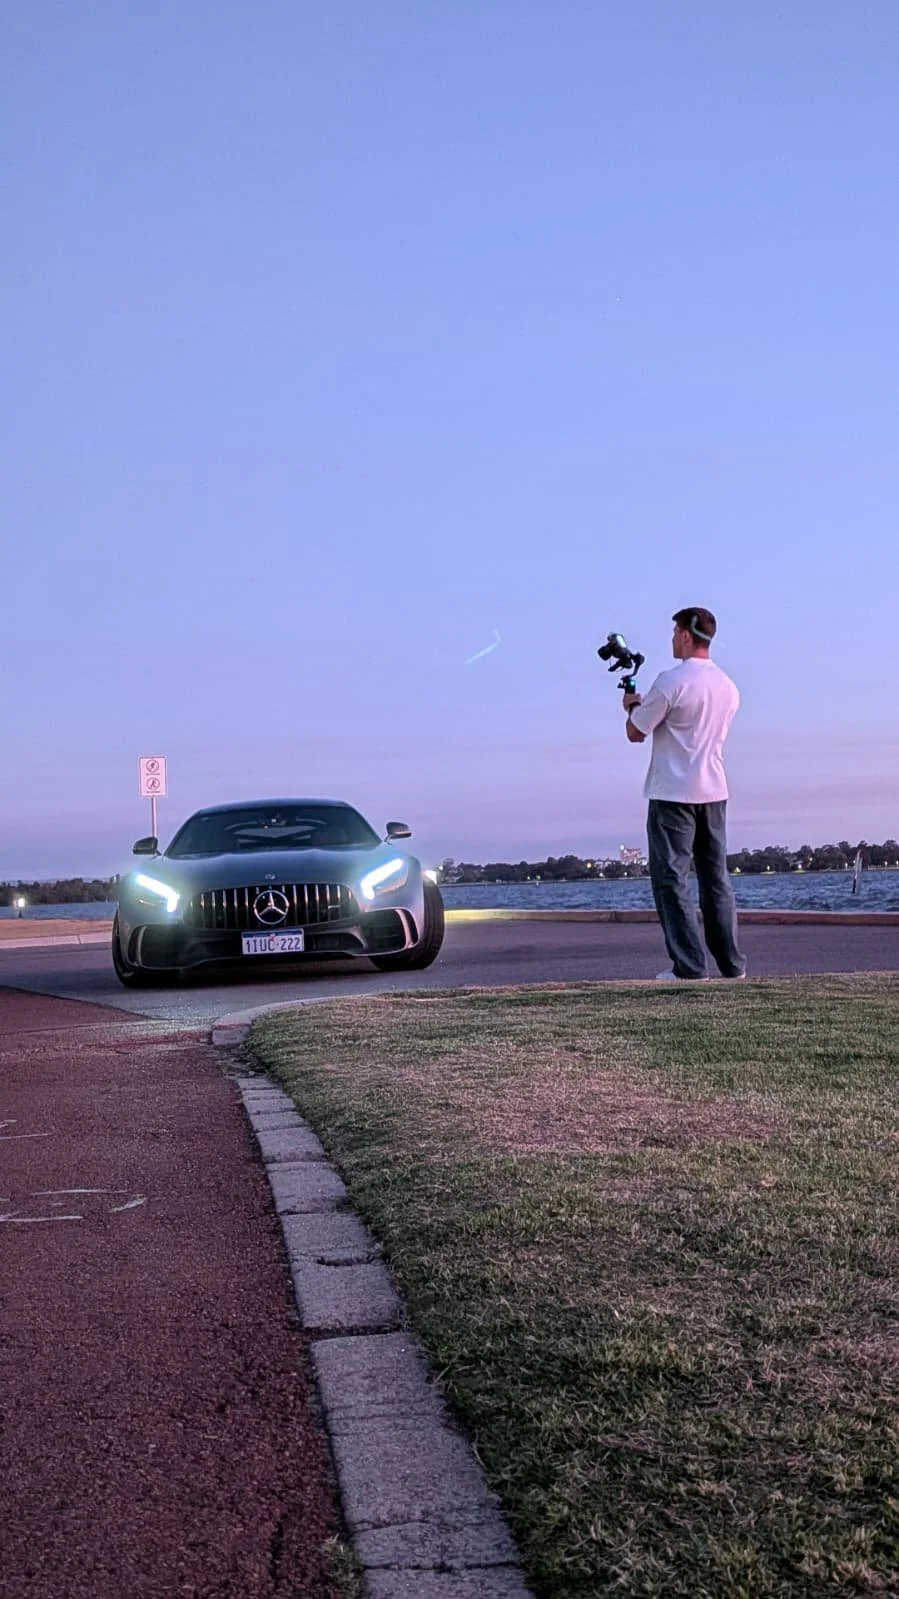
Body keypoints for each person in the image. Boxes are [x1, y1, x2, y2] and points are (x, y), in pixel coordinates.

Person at [622, 607, 746, 982]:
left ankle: (690, 967)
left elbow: (636, 731)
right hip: (714, 792)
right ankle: (732, 965)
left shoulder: (670, 682)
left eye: (675, 632)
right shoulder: (728, 687)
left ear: (687, 635)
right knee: (716, 879)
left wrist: (631, 706)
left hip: (673, 794)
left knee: (671, 880)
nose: (673, 638)